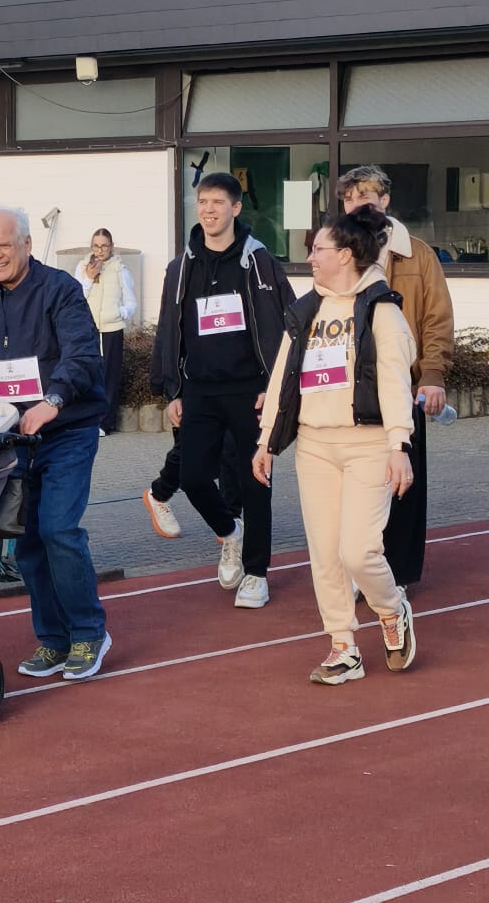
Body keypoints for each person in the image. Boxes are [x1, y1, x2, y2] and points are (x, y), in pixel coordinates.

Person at [0, 206, 110, 682]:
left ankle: (88, 633)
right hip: (10, 440)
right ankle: (53, 641)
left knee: (58, 529)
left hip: (66, 431)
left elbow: (81, 353)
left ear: (27, 245)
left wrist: (52, 401)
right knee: (27, 542)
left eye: (4, 246)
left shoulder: (60, 290)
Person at [253, 206, 417, 684]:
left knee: (358, 551)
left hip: (367, 445)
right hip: (315, 447)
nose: (311, 257)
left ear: (344, 255)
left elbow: (392, 381)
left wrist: (398, 444)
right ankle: (343, 646)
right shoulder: (307, 310)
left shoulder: (380, 309)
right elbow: (283, 377)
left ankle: (392, 609)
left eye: (318, 249)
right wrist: (265, 440)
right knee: (324, 554)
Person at [150, 172, 293, 608]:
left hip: (251, 391)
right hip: (199, 391)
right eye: (203, 202)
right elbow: (167, 331)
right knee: (193, 476)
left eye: (218, 202)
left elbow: (287, 324)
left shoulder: (259, 260)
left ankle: (256, 573)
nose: (209, 210)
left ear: (235, 209)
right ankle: (230, 534)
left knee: (256, 483)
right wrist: (171, 389)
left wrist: (276, 386)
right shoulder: (181, 267)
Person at [337, 164, 455, 587]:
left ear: (385, 201)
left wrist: (433, 375)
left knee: (401, 486)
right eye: (350, 198)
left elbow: (437, 318)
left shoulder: (417, 253)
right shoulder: (338, 250)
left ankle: (397, 574)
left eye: (366, 196)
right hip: (348, 391)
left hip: (403, 389)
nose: (357, 204)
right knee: (351, 485)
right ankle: (355, 570)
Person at [75, 228, 136, 435]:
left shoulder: (120, 268)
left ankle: (105, 422)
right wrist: (90, 278)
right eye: (96, 246)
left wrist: (120, 313)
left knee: (109, 375)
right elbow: (77, 297)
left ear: (112, 247)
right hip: (89, 328)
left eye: (104, 246)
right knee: (88, 374)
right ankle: (87, 419)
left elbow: (130, 301)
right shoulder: (83, 266)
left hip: (112, 329)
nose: (100, 250)